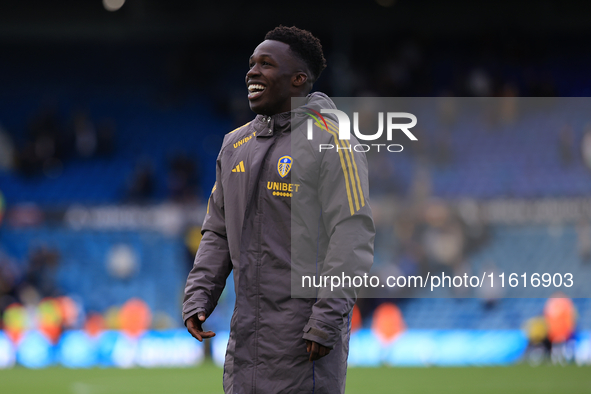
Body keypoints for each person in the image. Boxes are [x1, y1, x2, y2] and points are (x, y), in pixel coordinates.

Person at [183, 26, 375, 393]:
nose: (252, 72)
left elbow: (352, 235)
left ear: (298, 79)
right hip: (245, 346)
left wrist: (326, 319)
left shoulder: (333, 140)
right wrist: (200, 293)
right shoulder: (234, 144)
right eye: (251, 63)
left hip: (305, 342)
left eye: (266, 64)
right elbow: (218, 230)